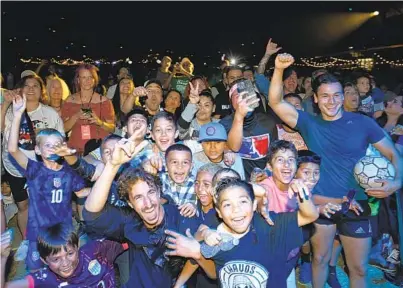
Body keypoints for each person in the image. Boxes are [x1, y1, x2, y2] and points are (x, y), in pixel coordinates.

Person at [268, 53, 402, 288]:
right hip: (322, 203)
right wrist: (278, 69)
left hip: (357, 203)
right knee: (320, 259)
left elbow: (393, 154)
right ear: (316, 99)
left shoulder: (363, 123)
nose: (332, 101)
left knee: (358, 268)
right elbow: (276, 103)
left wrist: (397, 181)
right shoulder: (309, 122)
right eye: (325, 96)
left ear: (343, 96)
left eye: (337, 95)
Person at [82, 139, 212, 288]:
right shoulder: (129, 220)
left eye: (150, 193)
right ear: (130, 204)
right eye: (138, 197)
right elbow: (91, 214)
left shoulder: (184, 218)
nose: (148, 203)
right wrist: (112, 166)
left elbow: (214, 272)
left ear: (159, 193)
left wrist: (197, 254)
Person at [164, 177, 319, 288]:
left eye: (243, 201)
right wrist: (197, 252)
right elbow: (214, 274)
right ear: (218, 211)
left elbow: (310, 215)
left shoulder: (272, 225)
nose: (236, 210)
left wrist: (302, 192)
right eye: (227, 205)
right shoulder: (216, 236)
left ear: (253, 205)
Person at [8, 93, 90, 271]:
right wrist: (17, 116)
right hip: (38, 234)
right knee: (38, 270)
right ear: (37, 149)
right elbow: (12, 149)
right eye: (47, 145)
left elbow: (83, 193)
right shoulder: (35, 170)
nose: (53, 148)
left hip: (64, 233)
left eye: (57, 144)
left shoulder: (69, 171)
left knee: (66, 268)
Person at [2, 74, 64, 247]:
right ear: (20, 90)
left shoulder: (49, 113)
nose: (30, 88)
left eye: (35, 86)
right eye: (27, 85)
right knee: (23, 207)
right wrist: (6, 103)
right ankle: (27, 242)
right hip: (15, 168)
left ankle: (49, 241)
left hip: (41, 168)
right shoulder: (11, 111)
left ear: (41, 91)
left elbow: (60, 141)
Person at [0, 222, 127, 287]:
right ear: (44, 261)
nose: (65, 263)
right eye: (56, 259)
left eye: (70, 253)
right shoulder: (45, 278)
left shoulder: (95, 250)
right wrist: (3, 258)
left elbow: (125, 247)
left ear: (77, 247)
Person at [220, 77, 278, 180]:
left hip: (264, 180)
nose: (244, 99)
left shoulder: (268, 122)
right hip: (237, 182)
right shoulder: (224, 125)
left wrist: (268, 172)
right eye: (238, 96)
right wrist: (239, 116)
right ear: (231, 101)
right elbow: (233, 147)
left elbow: (275, 153)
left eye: (247, 95)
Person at [61, 64, 115, 154]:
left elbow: (112, 128)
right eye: (84, 77)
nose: (87, 81)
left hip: (98, 150)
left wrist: (99, 122)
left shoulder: (104, 101)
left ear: (95, 80)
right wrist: (76, 116)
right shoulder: (70, 100)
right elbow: (64, 128)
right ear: (78, 80)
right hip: (76, 149)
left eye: (90, 77)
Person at [160, 144, 197, 212]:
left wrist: (195, 206)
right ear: (165, 165)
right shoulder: (160, 180)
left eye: (185, 162)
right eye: (174, 162)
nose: (180, 167)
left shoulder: (196, 185)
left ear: (191, 166)